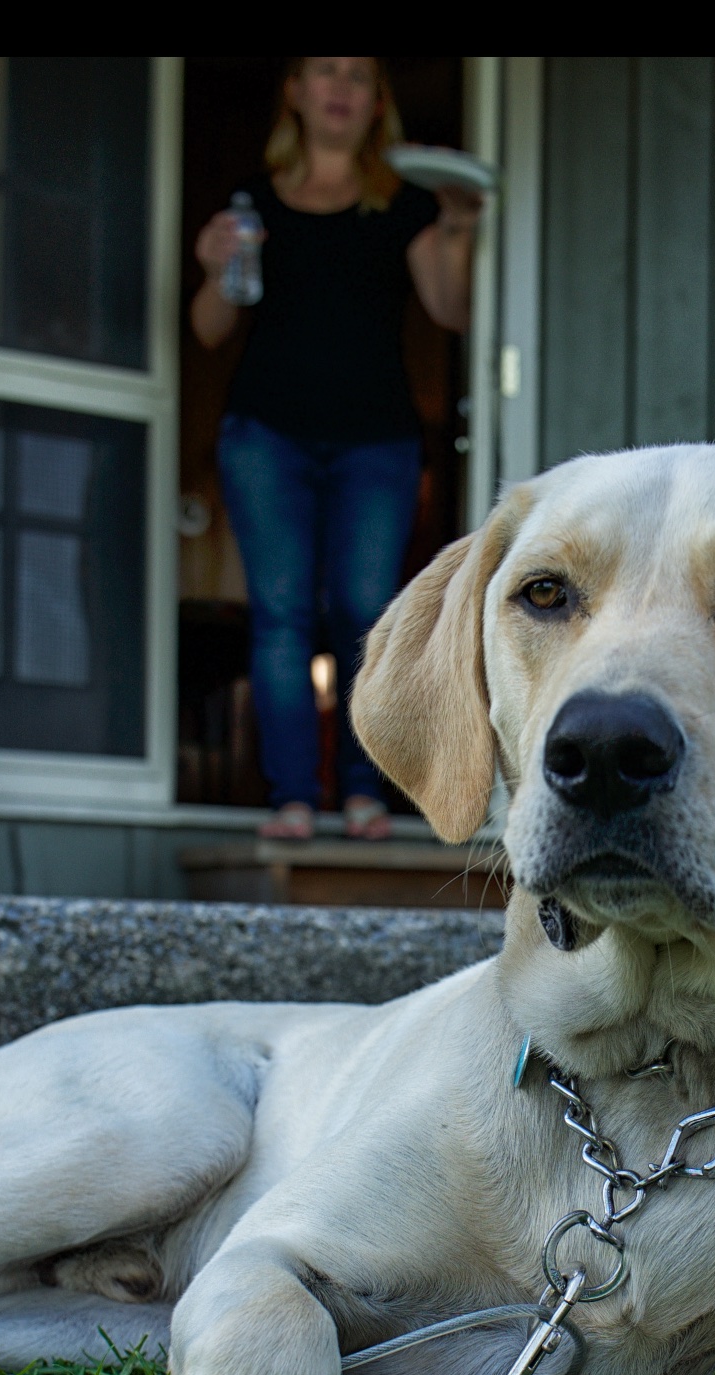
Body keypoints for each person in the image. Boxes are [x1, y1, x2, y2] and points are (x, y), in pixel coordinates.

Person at [193, 57, 484, 840]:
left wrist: (458, 223)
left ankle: (363, 794)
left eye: (358, 75)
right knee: (281, 616)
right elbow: (209, 328)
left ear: (376, 100)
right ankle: (292, 799)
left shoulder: (405, 202)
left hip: (376, 442)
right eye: (326, 70)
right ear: (294, 90)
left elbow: (451, 310)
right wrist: (215, 268)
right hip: (266, 437)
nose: (341, 87)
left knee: (365, 615)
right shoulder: (254, 203)